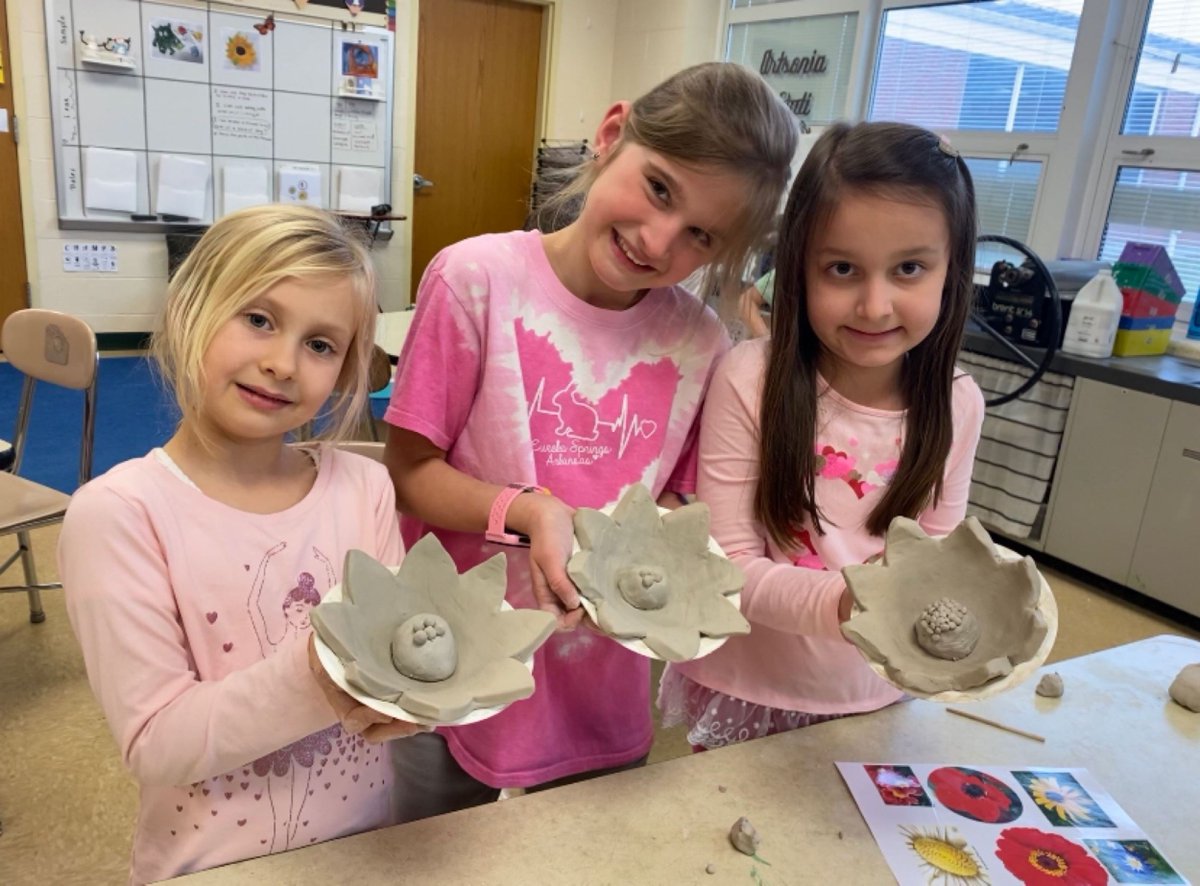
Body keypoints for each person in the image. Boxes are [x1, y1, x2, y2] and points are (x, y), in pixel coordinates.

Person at [381, 62, 798, 818]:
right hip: (452, 665)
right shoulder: (473, 279)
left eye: (699, 234)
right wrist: (531, 510)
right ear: (611, 135)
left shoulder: (699, 342)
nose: (657, 237)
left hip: (597, 687)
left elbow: (676, 502)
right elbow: (410, 474)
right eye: (660, 188)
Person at [58, 205, 423, 885]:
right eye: (258, 319)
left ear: (346, 369)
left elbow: (395, 666)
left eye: (320, 345)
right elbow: (157, 744)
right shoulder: (118, 516)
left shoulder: (365, 489)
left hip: (366, 850)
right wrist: (323, 674)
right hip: (211, 867)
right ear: (191, 308)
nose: (282, 363)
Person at [659, 121, 986, 749]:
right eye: (841, 269)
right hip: (750, 683)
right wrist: (848, 604)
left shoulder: (958, 403)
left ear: (952, 271)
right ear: (798, 269)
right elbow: (726, 564)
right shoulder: (749, 377)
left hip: (876, 692)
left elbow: (940, 561)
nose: (874, 306)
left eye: (909, 268)